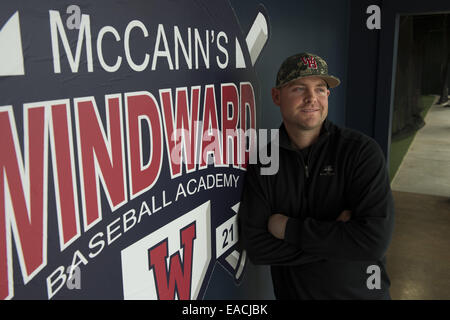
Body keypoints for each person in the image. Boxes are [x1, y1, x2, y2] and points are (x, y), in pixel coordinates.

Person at [238, 52, 395, 299]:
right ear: (276, 96)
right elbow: (257, 247)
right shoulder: (264, 161)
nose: (312, 98)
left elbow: (373, 242)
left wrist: (287, 228)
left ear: (328, 95)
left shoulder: (360, 151)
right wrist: (338, 237)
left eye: (320, 89)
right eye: (299, 88)